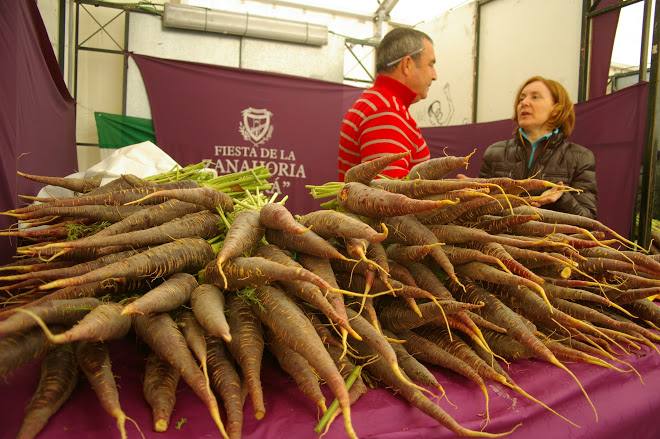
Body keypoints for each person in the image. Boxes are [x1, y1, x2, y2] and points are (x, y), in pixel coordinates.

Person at [479, 76, 598, 218]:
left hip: (552, 240)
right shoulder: (494, 152)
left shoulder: (580, 157)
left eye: (535, 97)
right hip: (498, 239)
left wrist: (562, 198)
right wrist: (470, 194)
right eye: (521, 98)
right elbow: (479, 211)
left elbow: (588, 218)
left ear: (556, 109)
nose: (524, 102)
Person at [338, 27, 437, 181]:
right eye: (430, 65)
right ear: (407, 65)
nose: (434, 75)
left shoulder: (378, 102)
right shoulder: (385, 111)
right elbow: (388, 198)